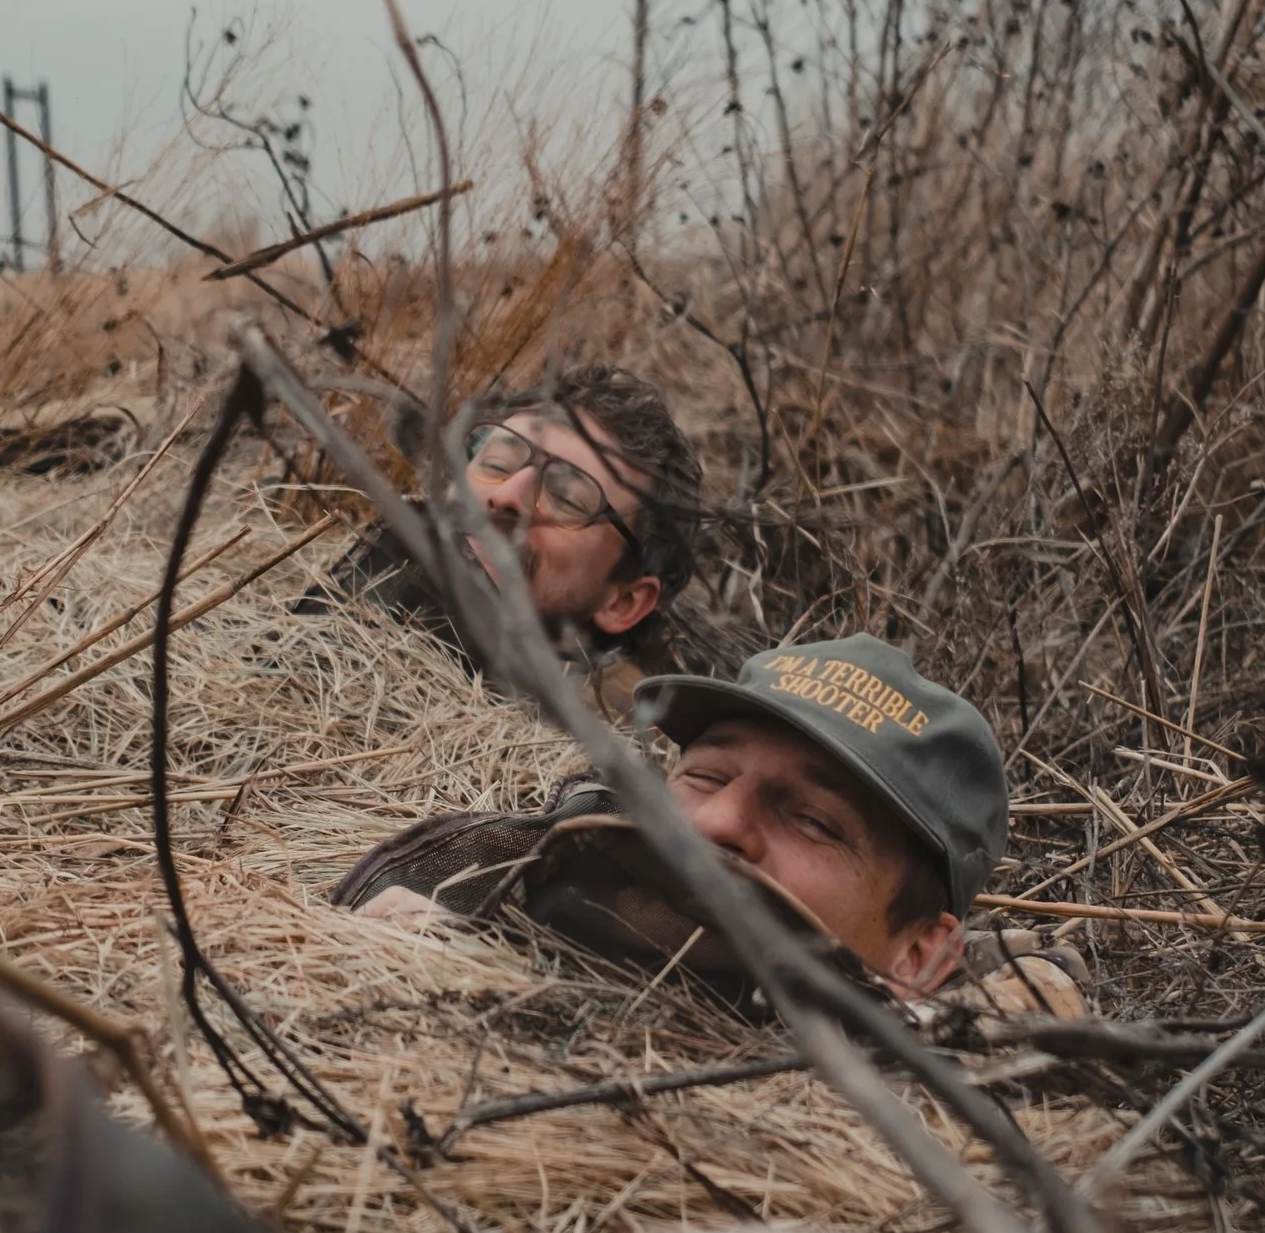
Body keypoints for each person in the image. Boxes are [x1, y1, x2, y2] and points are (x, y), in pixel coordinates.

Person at [335, 630, 1016, 1000]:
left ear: (920, 953)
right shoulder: (472, 894)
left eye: (813, 820)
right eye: (707, 775)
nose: (715, 823)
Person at [319, 364, 710, 703]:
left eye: (567, 500)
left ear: (623, 602)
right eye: (496, 464)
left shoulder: (582, 772)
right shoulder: (319, 597)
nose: (506, 497)